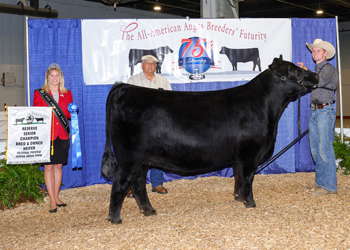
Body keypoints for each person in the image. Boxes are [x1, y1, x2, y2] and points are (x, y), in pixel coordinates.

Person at [298, 39, 339, 196]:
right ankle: (320, 182)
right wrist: (307, 70)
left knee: (325, 148)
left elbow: (318, 80)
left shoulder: (329, 69)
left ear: (325, 53)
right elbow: (315, 78)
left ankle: (330, 186)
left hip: (325, 111)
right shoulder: (318, 70)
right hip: (316, 111)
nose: (315, 53)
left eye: (318, 51)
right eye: (313, 51)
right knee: (315, 149)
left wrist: (304, 73)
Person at [126, 54, 171, 197]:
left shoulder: (163, 81)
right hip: (139, 125)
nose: (150, 65)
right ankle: (133, 186)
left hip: (158, 125)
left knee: (158, 154)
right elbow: (129, 105)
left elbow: (171, 104)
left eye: (153, 63)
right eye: (147, 62)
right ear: (142, 65)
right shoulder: (133, 81)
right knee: (137, 156)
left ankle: (157, 183)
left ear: (156, 66)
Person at [33, 63, 73, 212]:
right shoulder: (40, 93)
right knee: (48, 167)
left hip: (62, 135)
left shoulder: (67, 93)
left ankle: (56, 197)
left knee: (58, 166)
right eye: (52, 75)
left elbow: (68, 115)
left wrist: (72, 112)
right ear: (47, 77)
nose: (55, 78)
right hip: (47, 135)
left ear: (60, 78)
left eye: (57, 75)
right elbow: (37, 113)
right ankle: (52, 201)